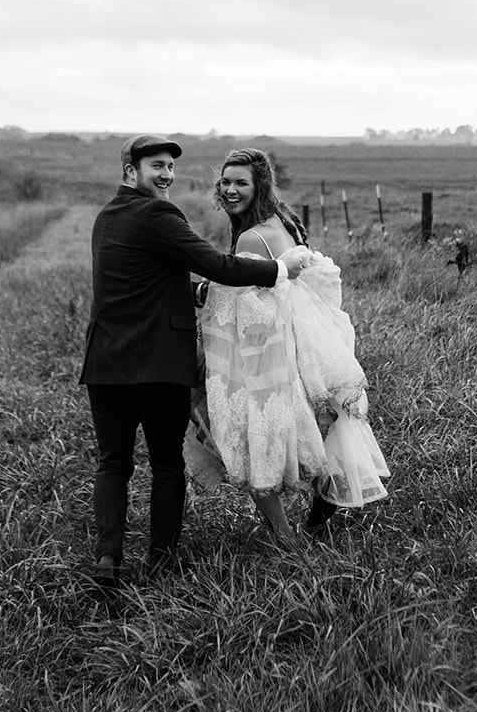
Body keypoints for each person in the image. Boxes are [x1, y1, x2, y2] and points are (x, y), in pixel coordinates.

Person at [80, 135, 313, 584]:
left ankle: (107, 558)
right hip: (156, 365)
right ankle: (162, 562)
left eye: (170, 166)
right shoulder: (159, 214)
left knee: (113, 464)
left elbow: (141, 280)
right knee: (168, 465)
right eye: (156, 166)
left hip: (105, 364)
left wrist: (195, 293)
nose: (166, 174)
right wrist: (279, 270)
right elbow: (217, 264)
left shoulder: (106, 217)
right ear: (131, 171)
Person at [188, 147, 390, 546]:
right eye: (225, 182)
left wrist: (196, 294)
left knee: (252, 430)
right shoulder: (282, 221)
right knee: (312, 421)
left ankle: (284, 535)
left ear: (258, 185)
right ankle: (319, 509)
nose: (230, 190)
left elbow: (238, 300)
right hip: (301, 337)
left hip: (271, 343)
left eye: (240, 183)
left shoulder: (250, 235)